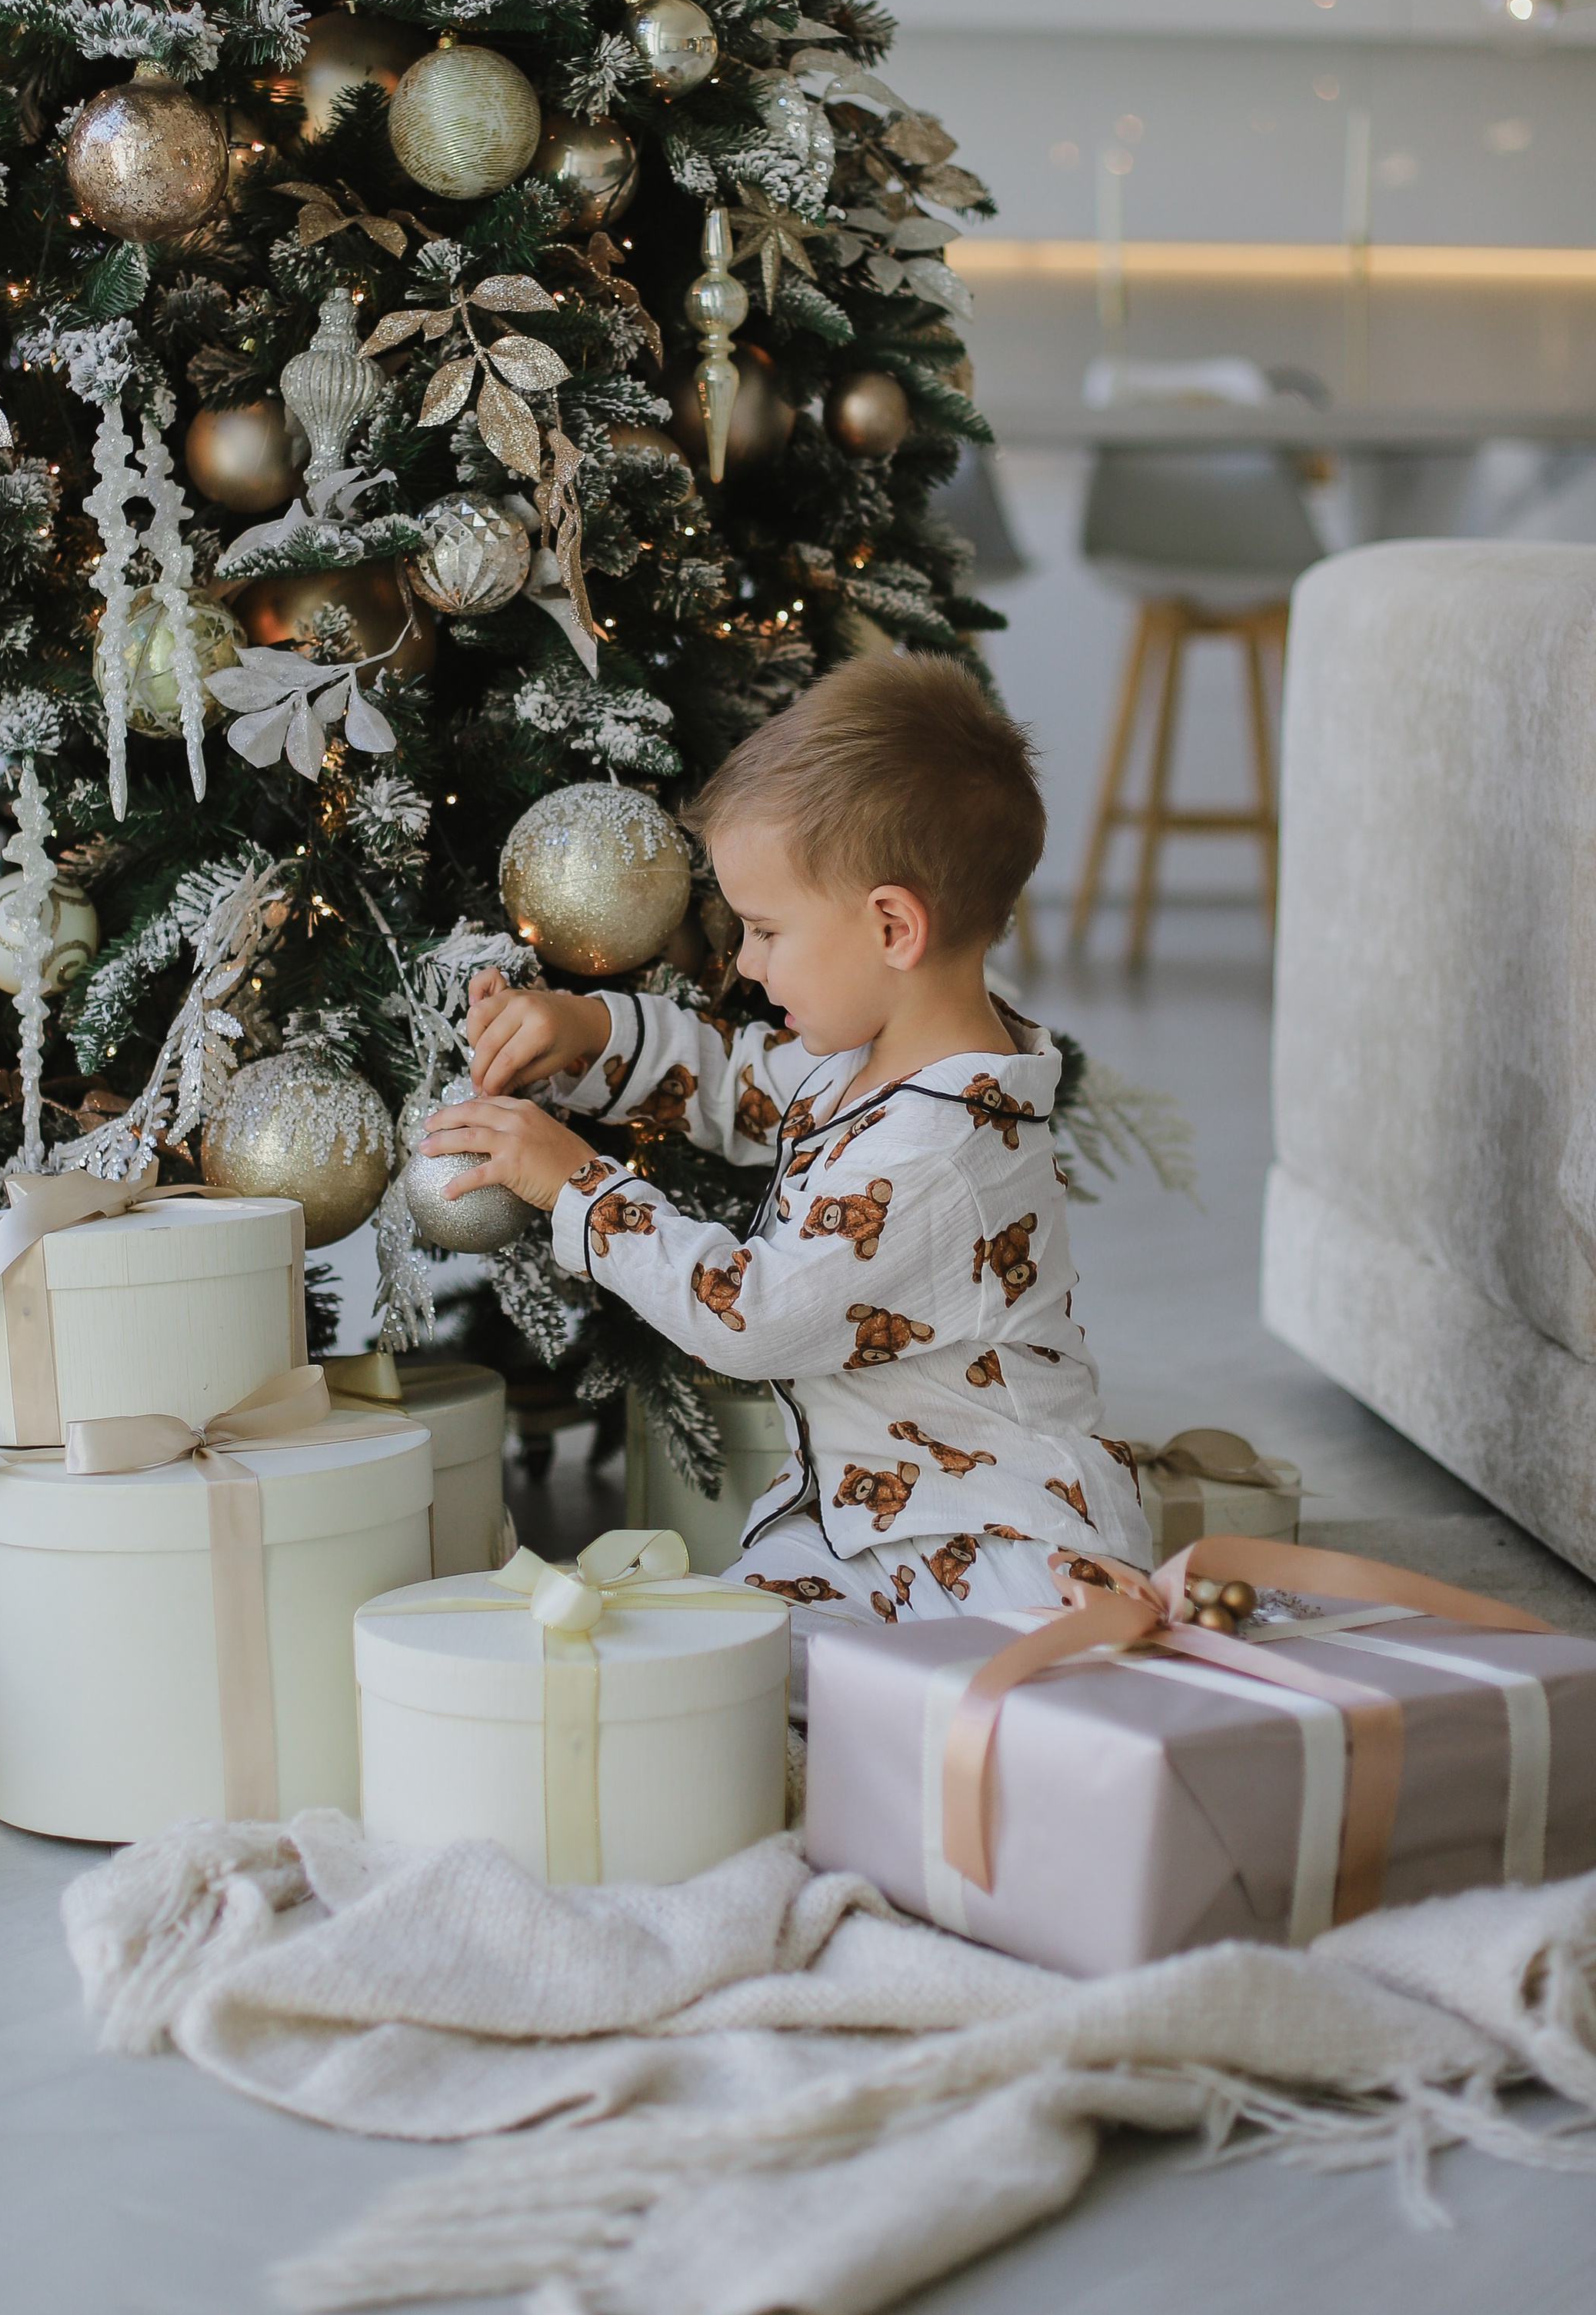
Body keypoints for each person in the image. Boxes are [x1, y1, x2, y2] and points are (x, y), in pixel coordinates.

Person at [420, 652, 1151, 1684]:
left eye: (765, 931)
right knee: (714, 1658)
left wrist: (576, 1183)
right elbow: (734, 1083)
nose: (748, 965)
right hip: (857, 1530)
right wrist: (585, 1030)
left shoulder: (941, 1153)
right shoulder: (864, 1058)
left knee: (850, 1699)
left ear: (893, 927)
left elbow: (753, 1317)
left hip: (1001, 1553)